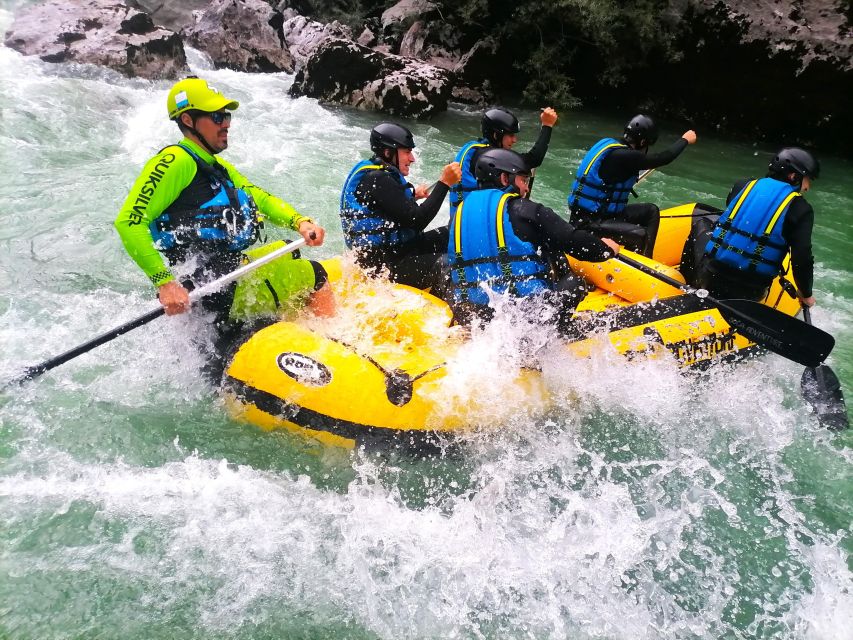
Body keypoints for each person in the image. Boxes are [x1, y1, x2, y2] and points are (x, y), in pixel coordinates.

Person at [114, 76, 334, 355]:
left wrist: (298, 221)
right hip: (211, 290)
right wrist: (164, 283)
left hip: (227, 278)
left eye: (226, 116)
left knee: (288, 254)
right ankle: (331, 347)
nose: (226, 123)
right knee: (316, 274)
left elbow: (258, 197)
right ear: (189, 121)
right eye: (217, 117)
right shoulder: (175, 161)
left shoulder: (216, 167)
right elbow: (129, 222)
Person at [446, 148, 620, 335]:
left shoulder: (457, 216)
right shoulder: (525, 210)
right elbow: (574, 241)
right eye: (523, 180)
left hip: (477, 320)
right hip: (525, 323)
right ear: (505, 179)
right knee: (574, 283)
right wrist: (606, 249)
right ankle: (556, 338)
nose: (526, 188)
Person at [339, 122, 461, 289]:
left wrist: (413, 195)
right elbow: (418, 220)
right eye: (407, 152)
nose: (412, 159)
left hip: (400, 251)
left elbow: (389, 203)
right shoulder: (377, 178)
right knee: (448, 265)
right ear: (388, 152)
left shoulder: (379, 174)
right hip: (384, 268)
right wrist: (444, 183)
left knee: (455, 234)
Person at [694, 147, 819, 306]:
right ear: (794, 176)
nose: (807, 187)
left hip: (712, 275)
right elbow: (801, 258)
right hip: (751, 289)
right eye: (808, 180)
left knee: (701, 225)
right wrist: (806, 294)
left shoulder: (742, 185)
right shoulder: (801, 208)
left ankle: (690, 283)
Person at [567, 114, 697, 257]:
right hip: (588, 224)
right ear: (642, 141)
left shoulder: (612, 147)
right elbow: (664, 158)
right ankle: (635, 266)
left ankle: (647, 258)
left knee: (651, 211)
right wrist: (685, 139)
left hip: (605, 215)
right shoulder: (626, 156)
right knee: (639, 234)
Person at [449, 106, 559, 215]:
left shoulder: (474, 148)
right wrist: (547, 125)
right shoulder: (488, 158)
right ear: (496, 135)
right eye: (511, 135)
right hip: (472, 223)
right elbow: (534, 159)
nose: (515, 140)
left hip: (460, 219)